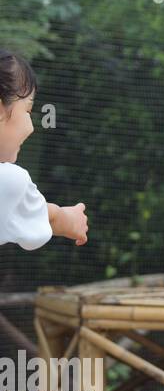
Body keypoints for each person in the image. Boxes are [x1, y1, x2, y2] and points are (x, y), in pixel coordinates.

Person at [0, 49, 88, 250]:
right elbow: (44, 217)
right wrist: (67, 217)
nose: (31, 127)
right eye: (28, 110)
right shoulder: (9, 180)